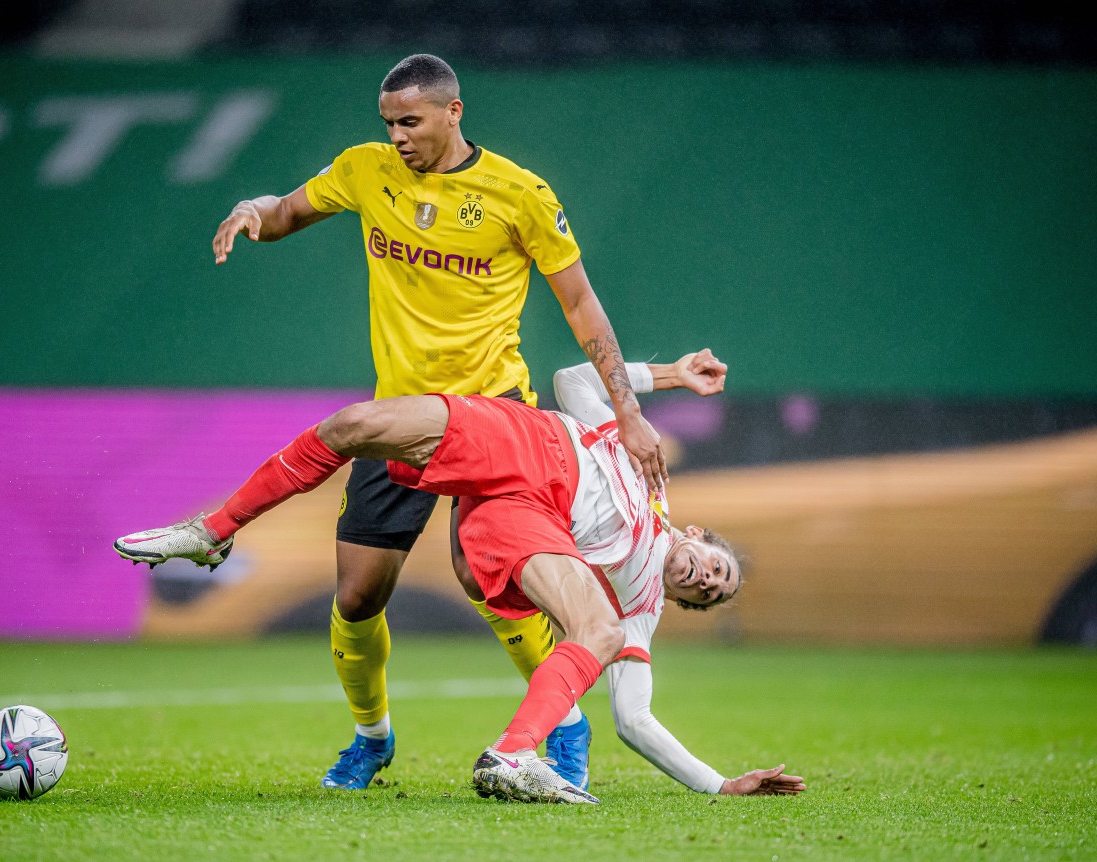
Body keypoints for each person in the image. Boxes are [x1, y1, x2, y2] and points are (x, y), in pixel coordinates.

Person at [206, 52, 663, 791]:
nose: (398, 137)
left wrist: (628, 409)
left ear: (455, 112)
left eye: (410, 122)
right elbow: (287, 211)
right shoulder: (366, 169)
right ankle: (371, 738)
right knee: (357, 595)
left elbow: (582, 307)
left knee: (489, 578)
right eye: (389, 123)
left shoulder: (520, 194)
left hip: (495, 412)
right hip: (402, 415)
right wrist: (253, 210)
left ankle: (563, 726)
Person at [114, 347, 807, 803]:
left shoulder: (641, 603)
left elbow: (635, 718)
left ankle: (511, 754)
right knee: (355, 423)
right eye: (716, 567)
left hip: (523, 518)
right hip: (529, 437)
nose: (707, 580)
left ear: (686, 599)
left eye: (711, 592)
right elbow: (573, 381)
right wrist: (669, 377)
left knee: (595, 630)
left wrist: (719, 786)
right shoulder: (650, 471)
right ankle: (213, 532)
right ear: (698, 536)